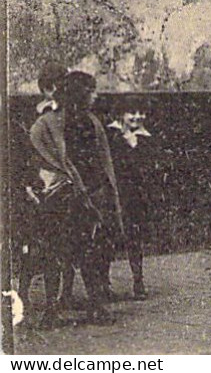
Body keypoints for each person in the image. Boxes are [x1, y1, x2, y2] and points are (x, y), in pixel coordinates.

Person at [29, 71, 123, 324]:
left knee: (86, 252)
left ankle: (93, 306)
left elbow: (98, 160)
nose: (96, 95)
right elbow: (49, 156)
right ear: (79, 94)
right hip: (65, 195)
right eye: (91, 91)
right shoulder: (51, 123)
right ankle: (55, 310)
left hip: (87, 193)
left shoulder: (89, 121)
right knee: (62, 252)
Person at [106, 111, 153, 298]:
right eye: (131, 113)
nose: (137, 116)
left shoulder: (143, 137)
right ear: (121, 115)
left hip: (133, 196)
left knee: (134, 238)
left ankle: (138, 280)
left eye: (141, 112)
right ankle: (104, 285)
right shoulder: (111, 135)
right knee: (107, 238)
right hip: (113, 193)